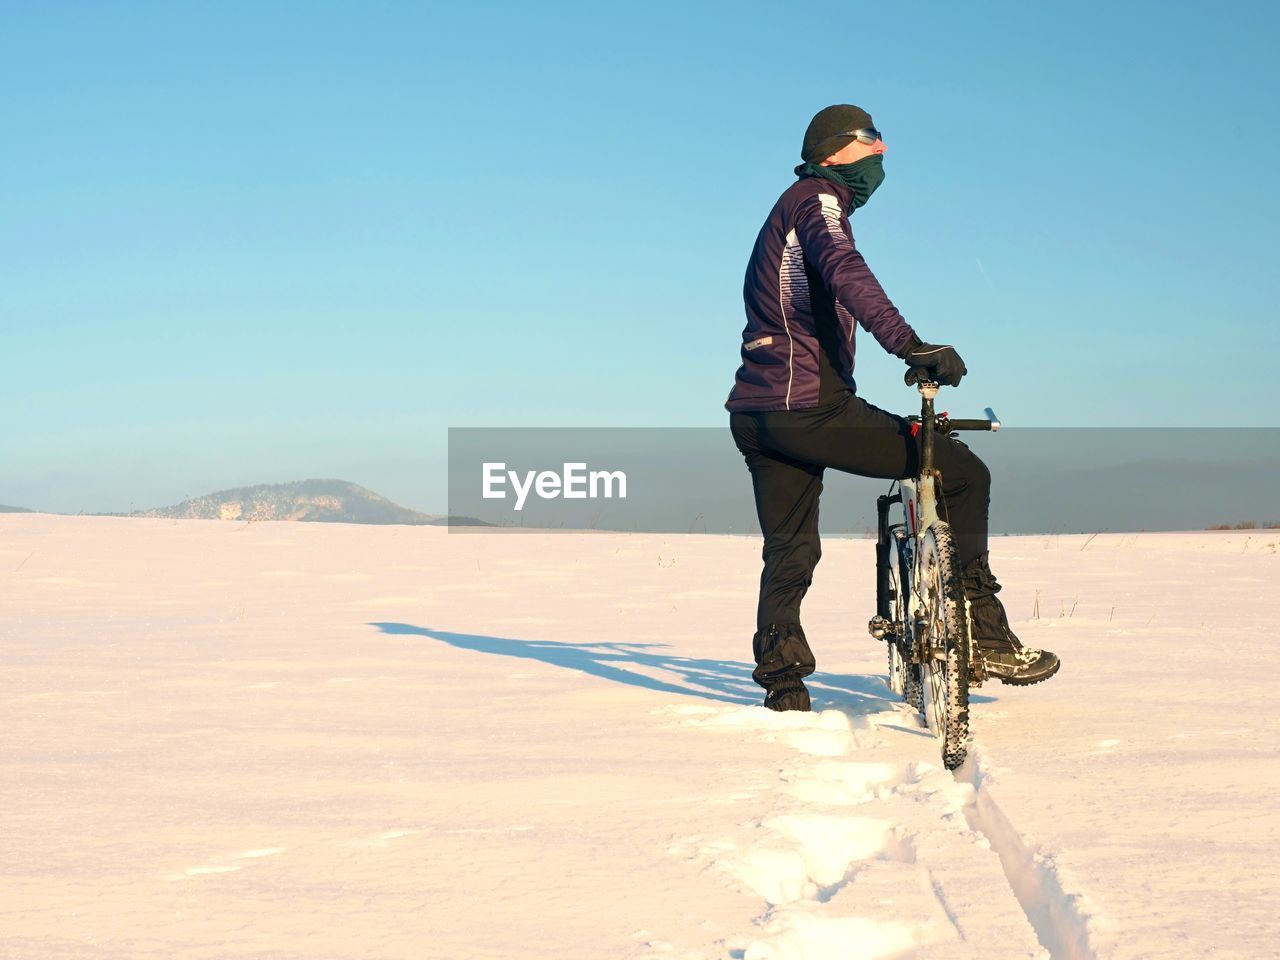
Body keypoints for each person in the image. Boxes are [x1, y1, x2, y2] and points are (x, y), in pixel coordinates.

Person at [726, 104, 1060, 712]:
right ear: (833, 152)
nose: (882, 152)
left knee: (791, 547)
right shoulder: (816, 200)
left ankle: (783, 682)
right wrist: (911, 345)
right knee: (962, 472)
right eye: (870, 140)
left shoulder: (793, 206)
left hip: (758, 414)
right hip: (808, 408)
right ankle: (984, 633)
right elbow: (846, 271)